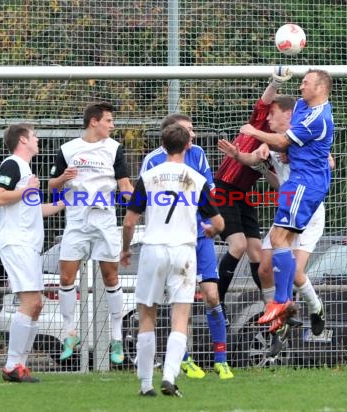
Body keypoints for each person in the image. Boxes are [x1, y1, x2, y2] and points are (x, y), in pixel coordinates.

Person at [219, 94, 335, 355]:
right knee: (263, 269)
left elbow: (328, 160)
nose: (268, 118)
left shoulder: (302, 136)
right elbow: (267, 169)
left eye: (273, 114)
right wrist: (241, 155)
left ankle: (316, 308)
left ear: (288, 115)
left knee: (294, 273)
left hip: (309, 211)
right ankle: (279, 324)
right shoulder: (273, 143)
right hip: (288, 206)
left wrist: (295, 154)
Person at [121, 123, 224, 397]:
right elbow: (218, 222)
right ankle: (169, 375)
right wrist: (212, 230)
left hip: (154, 249)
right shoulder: (196, 178)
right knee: (180, 316)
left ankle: (145, 384)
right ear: (187, 145)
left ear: (163, 146)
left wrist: (125, 248)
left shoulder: (149, 176)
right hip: (183, 251)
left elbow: (130, 221)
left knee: (147, 316)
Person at [140, 114, 232, 379]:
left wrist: (211, 223)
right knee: (178, 302)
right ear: (173, 134)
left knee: (212, 296)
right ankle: (182, 360)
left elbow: (208, 191)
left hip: (199, 239)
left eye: (192, 130)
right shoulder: (152, 162)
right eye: (188, 130)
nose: (192, 135)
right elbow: (143, 200)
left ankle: (221, 359)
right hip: (170, 242)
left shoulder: (199, 153)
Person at [48, 102, 134, 364]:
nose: (112, 125)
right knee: (65, 276)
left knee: (110, 276)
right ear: (94, 121)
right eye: (109, 120)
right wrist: (63, 178)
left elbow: (124, 184)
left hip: (105, 220)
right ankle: (69, 333)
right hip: (76, 219)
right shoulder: (68, 149)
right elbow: (52, 185)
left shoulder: (114, 149)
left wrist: (135, 202)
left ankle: (116, 338)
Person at [214, 67, 294, 319]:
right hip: (224, 187)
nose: (268, 117)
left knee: (257, 253)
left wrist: (261, 164)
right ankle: (216, 302)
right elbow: (264, 102)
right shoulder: (260, 123)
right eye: (269, 113)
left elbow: (278, 184)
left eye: (273, 114)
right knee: (237, 245)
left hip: (243, 195)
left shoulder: (283, 144)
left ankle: (273, 307)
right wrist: (275, 82)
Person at [0, 123, 66, 383]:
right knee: (31, 303)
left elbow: (35, 210)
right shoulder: (12, 164)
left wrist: (65, 202)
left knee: (36, 305)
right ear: (23, 140)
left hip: (29, 246)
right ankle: (12, 365)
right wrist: (27, 190)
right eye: (34, 136)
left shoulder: (26, 170)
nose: (37, 139)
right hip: (17, 243)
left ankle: (19, 366)